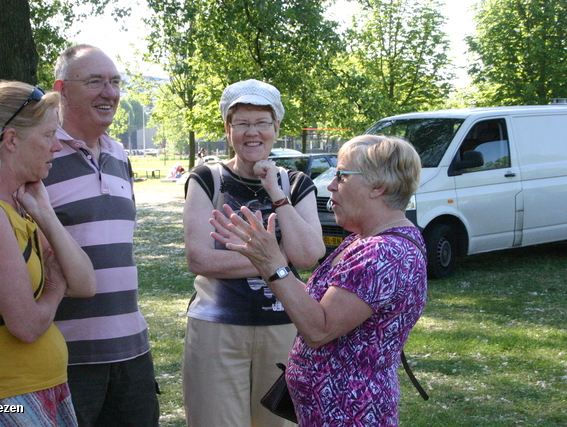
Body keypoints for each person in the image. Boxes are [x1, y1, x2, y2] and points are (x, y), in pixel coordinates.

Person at [211, 135, 428, 426]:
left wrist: (272, 263)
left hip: (351, 415)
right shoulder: (364, 242)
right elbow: (317, 303)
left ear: (379, 187)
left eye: (342, 176)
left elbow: (319, 328)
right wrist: (264, 262)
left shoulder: (384, 252)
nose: (331, 185)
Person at [0, 81, 97, 426]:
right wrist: (55, 286)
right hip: (6, 400)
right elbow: (26, 326)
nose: (56, 147)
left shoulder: (15, 205)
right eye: (48, 135)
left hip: (40, 390)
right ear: (11, 140)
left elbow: (85, 283)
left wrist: (45, 213)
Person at [182, 79, 325, 427]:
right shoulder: (206, 179)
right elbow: (200, 259)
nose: (252, 133)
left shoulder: (296, 184)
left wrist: (277, 193)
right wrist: (276, 259)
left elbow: (308, 256)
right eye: (242, 123)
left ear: (276, 127)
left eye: (261, 122)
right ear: (228, 129)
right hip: (216, 328)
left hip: (284, 326)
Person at [42, 44, 160, 427]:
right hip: (66, 357)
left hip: (132, 352)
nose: (109, 93)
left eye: (114, 82)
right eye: (95, 82)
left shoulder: (120, 155)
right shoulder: (38, 157)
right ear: (61, 89)